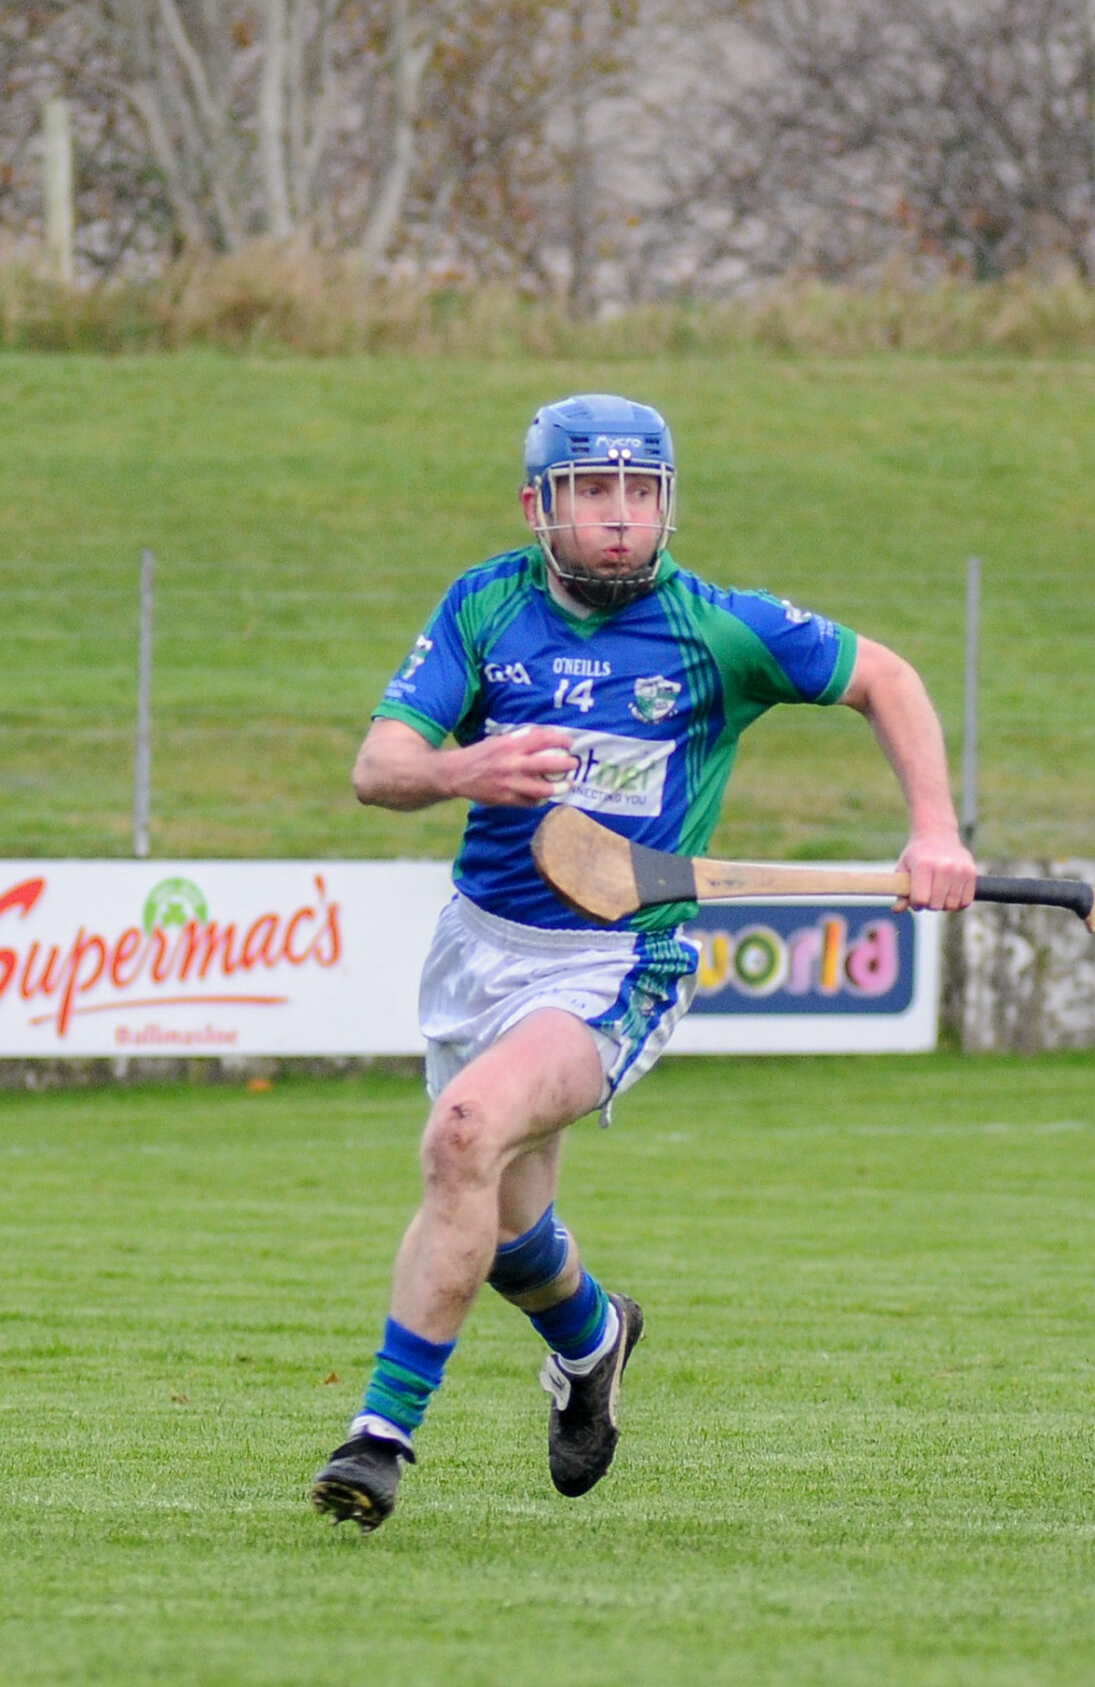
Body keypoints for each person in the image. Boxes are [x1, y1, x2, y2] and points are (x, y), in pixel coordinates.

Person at [309, 394, 976, 1530]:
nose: (618, 518)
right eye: (591, 492)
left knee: (463, 1132)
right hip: (479, 946)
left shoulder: (715, 628)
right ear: (539, 506)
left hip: (620, 958)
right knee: (510, 1228)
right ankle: (592, 1339)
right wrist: (467, 768)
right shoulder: (485, 604)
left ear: (667, 505)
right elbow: (379, 767)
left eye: (640, 492)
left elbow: (889, 679)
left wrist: (935, 832)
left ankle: (380, 1435)